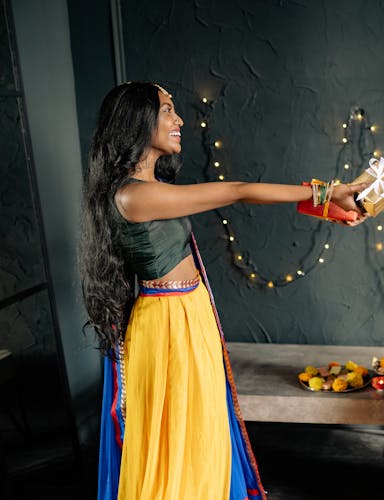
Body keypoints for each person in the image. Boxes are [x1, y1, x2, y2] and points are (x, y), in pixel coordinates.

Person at [78, 81, 365, 500]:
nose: (178, 120)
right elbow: (237, 191)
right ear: (136, 121)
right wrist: (328, 193)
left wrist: (325, 205)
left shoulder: (148, 189)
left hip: (187, 313)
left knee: (203, 429)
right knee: (179, 437)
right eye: (167, 110)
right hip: (167, 327)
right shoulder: (130, 196)